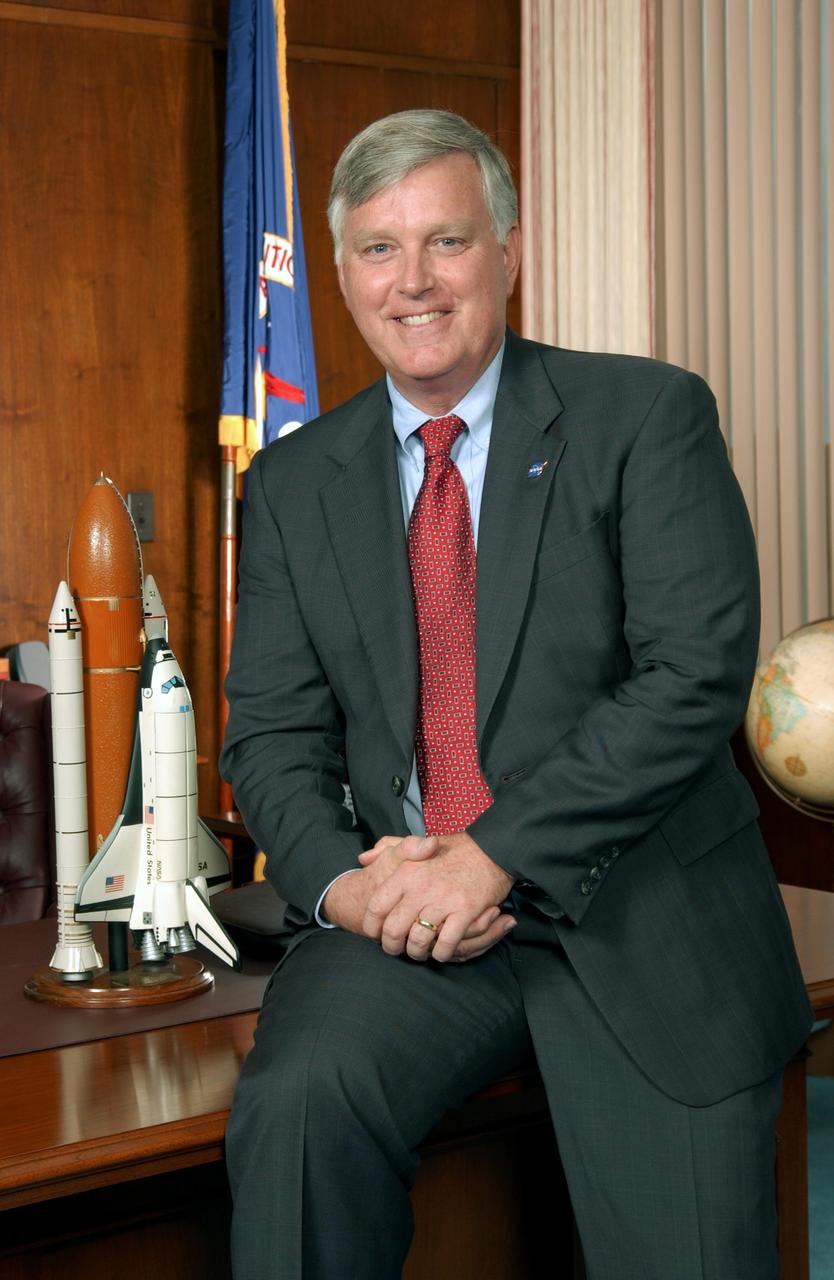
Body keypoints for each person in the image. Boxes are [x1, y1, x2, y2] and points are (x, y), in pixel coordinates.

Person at [220, 109, 813, 1279]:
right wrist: (345, 886)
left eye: (446, 241)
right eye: (380, 250)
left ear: (510, 248)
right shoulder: (294, 482)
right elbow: (273, 735)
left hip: (637, 910)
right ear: (338, 273)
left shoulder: (645, 416)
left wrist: (491, 851)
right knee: (295, 1108)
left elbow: (692, 677)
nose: (414, 282)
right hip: (408, 924)